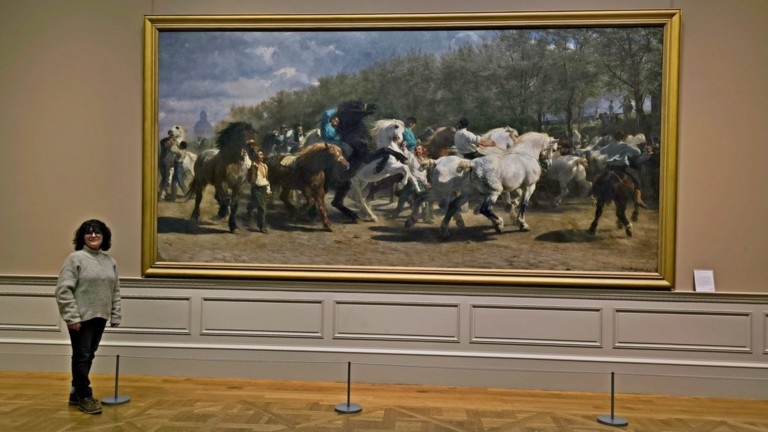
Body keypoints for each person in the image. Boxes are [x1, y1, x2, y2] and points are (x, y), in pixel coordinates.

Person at [55, 219, 121, 415]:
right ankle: (85, 395)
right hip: (80, 319)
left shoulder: (110, 261)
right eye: (89, 233)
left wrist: (115, 314)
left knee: (88, 355)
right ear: (82, 237)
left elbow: (115, 290)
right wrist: (71, 317)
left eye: (97, 233)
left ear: (104, 237)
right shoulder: (75, 259)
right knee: (82, 356)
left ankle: (76, 393)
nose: (93, 236)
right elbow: (63, 290)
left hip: (100, 316)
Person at [598, 130, 647, 208]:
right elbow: (638, 152)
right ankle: (638, 199)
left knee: (600, 179)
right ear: (623, 137)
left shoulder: (610, 145)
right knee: (637, 181)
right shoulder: (624, 145)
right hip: (622, 168)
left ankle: (597, 194)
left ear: (614, 137)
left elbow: (601, 151)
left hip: (610, 168)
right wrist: (632, 147)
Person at [247, 148, 272, 233]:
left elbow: (266, 178)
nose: (262, 156)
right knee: (262, 207)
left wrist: (268, 189)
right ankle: (262, 225)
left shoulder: (265, 166)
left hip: (264, 188)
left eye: (262, 154)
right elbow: (247, 163)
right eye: (260, 155)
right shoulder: (251, 165)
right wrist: (245, 154)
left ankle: (249, 211)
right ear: (255, 156)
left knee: (255, 204)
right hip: (256, 188)